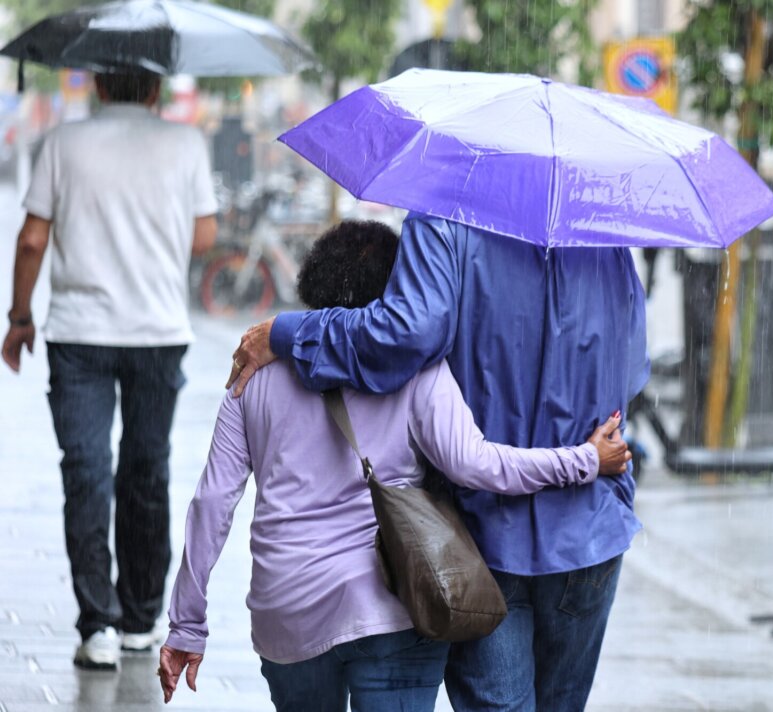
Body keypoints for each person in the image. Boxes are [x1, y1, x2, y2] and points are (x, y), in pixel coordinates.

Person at [158, 220, 631, 710]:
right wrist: (584, 460)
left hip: (288, 612)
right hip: (394, 602)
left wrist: (187, 623)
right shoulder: (419, 370)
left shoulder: (255, 372)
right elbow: (477, 465)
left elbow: (212, 503)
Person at [1, 71, 218, 670]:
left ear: (97, 82)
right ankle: (141, 620)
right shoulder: (186, 144)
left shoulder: (64, 144)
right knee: (146, 471)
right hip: (157, 335)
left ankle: (96, 624)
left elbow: (30, 241)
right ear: (155, 88)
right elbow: (204, 237)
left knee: (87, 472)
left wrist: (21, 317)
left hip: (78, 336)